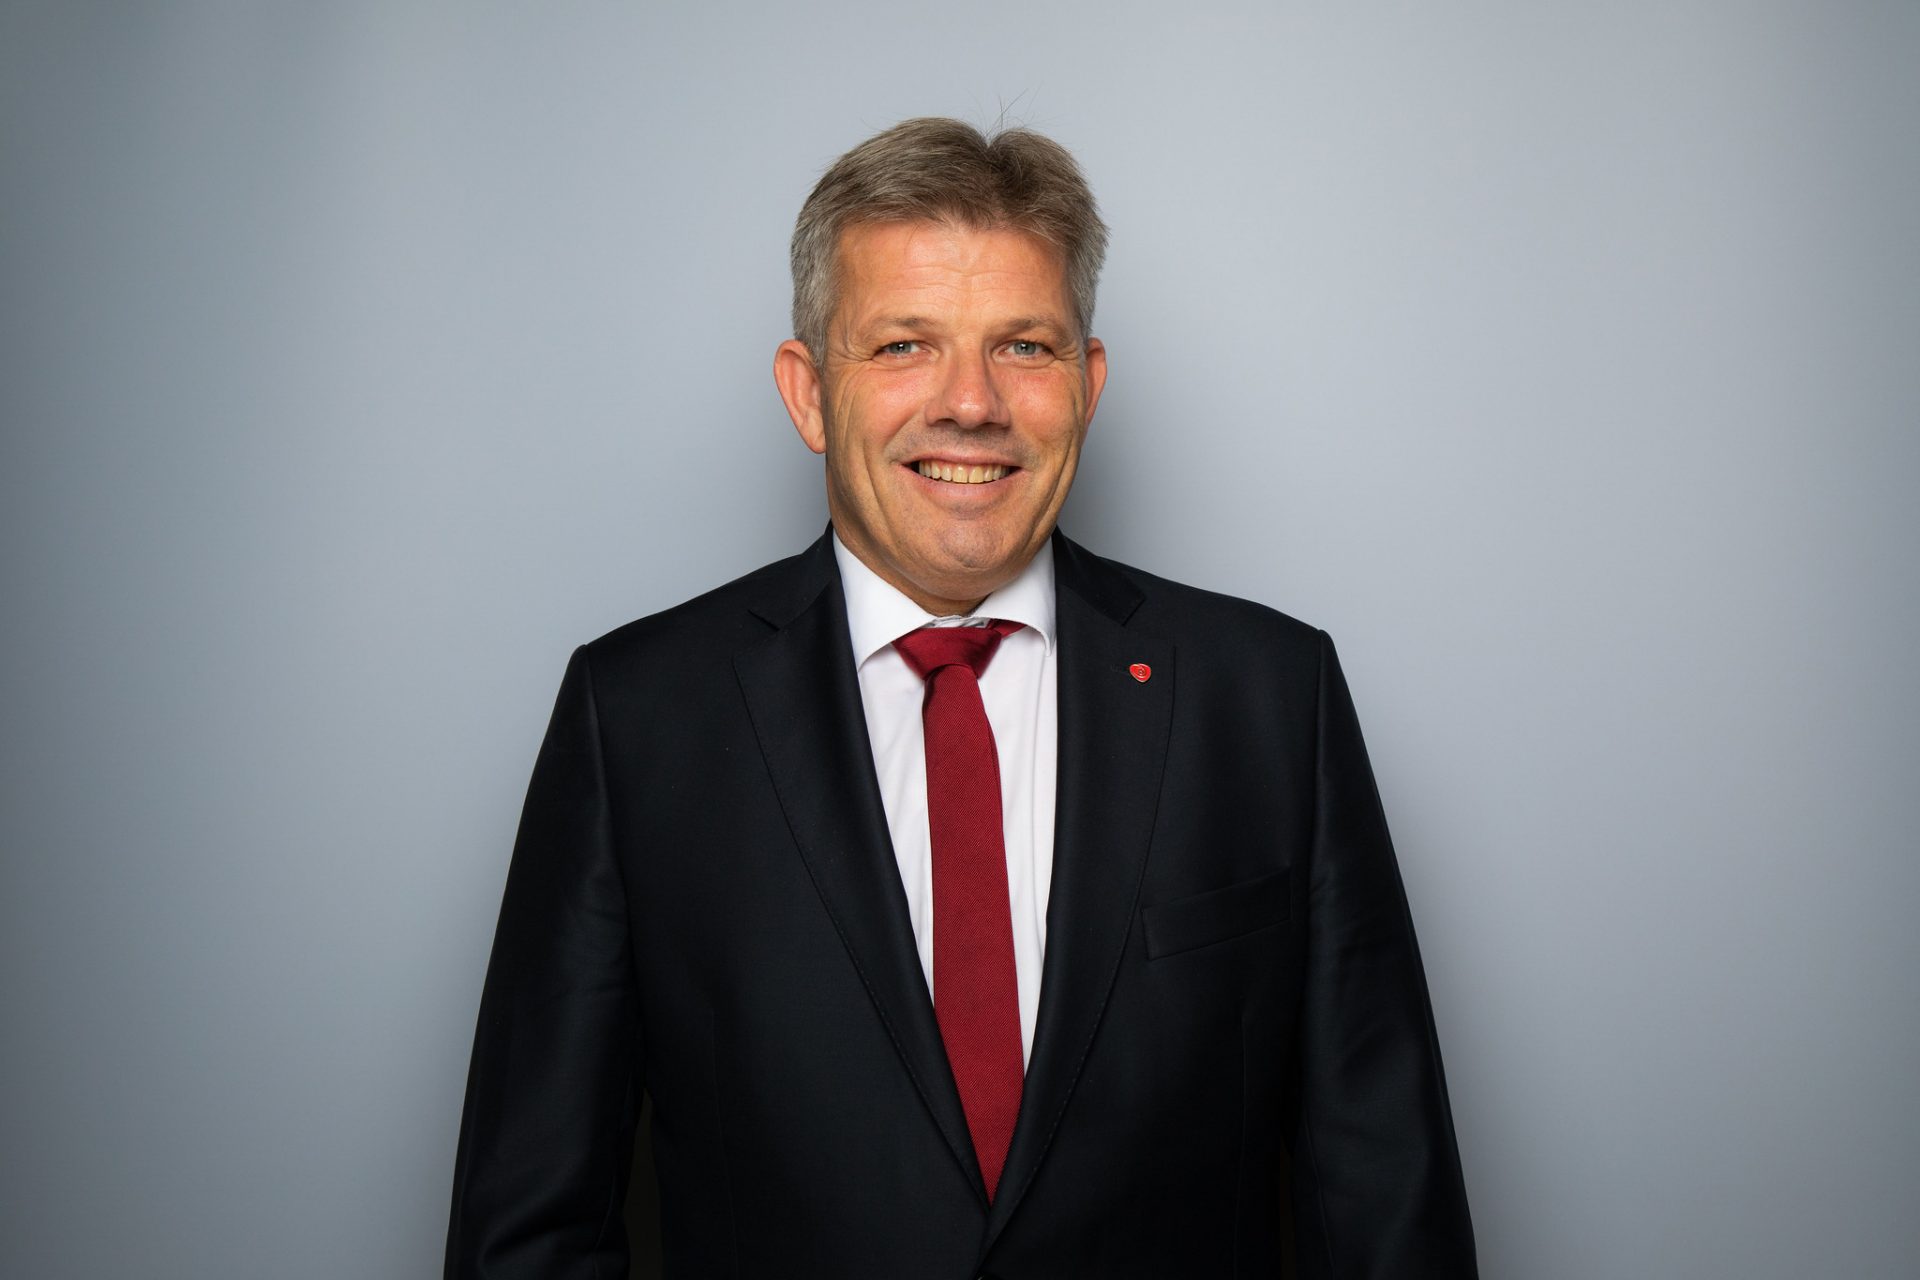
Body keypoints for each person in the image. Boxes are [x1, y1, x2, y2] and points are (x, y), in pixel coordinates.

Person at [445, 117, 1477, 1279]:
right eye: (904, 345)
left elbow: (1388, 1205)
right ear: (808, 393)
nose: (971, 403)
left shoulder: (1270, 700)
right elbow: (527, 1238)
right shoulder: (638, 719)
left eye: (1024, 346)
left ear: (1085, 385)